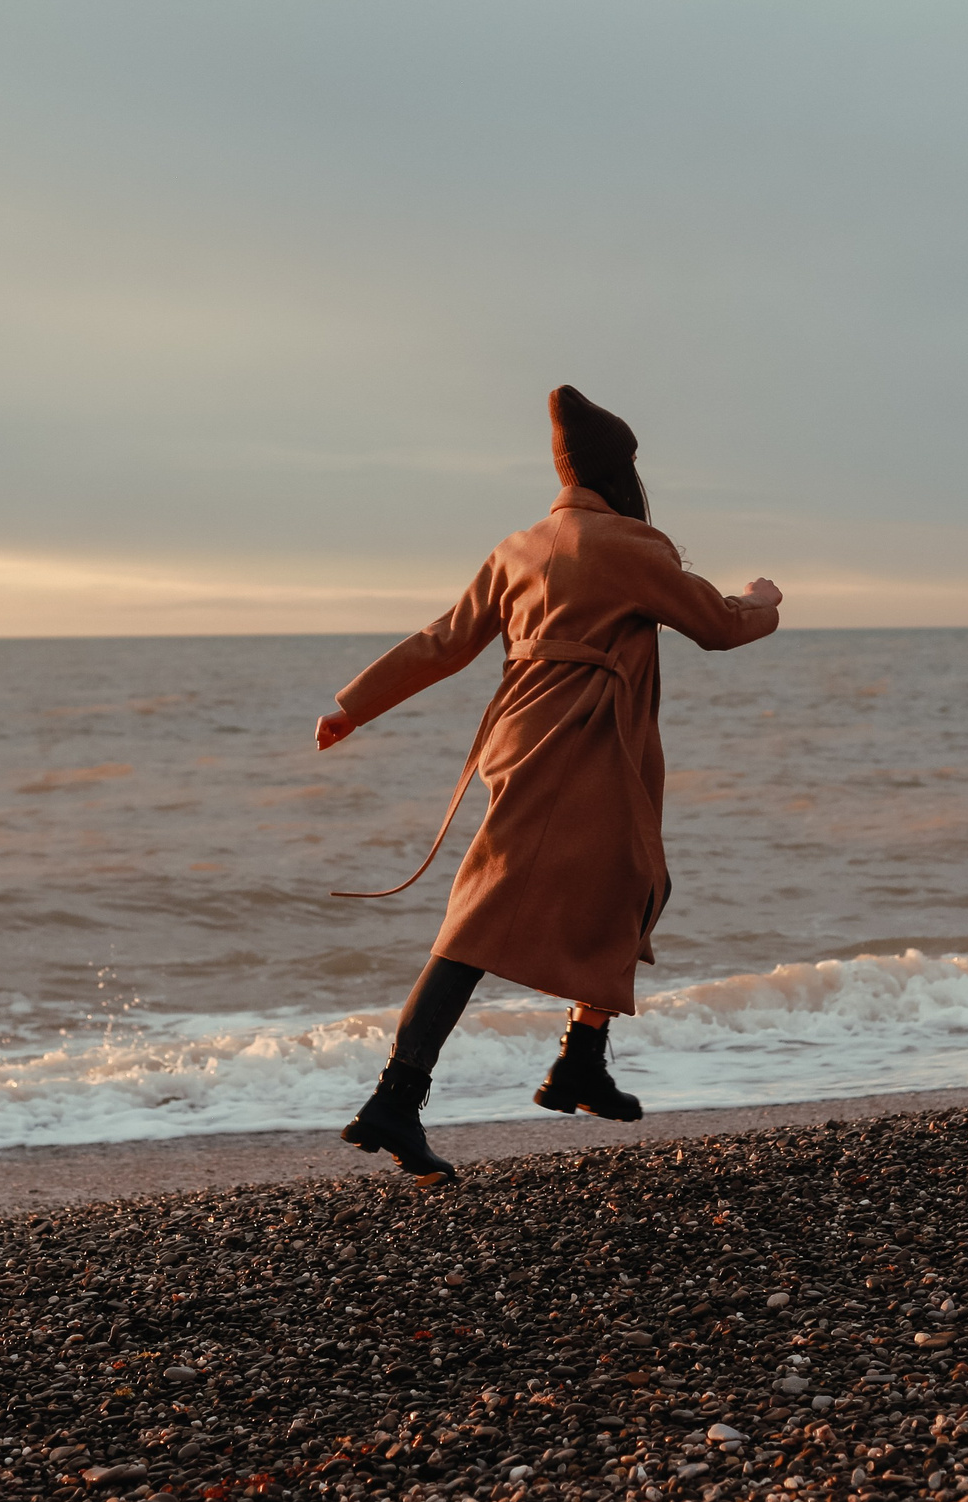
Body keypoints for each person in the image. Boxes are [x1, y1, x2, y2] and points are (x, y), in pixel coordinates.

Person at [316, 385, 783, 1184]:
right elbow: (717, 624)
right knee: (478, 927)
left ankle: (580, 1063)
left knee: (639, 884)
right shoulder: (634, 547)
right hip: (581, 747)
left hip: (530, 740)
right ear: (618, 469)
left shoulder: (520, 545)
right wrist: (763, 601)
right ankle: (397, 1098)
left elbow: (443, 641)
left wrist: (353, 705)